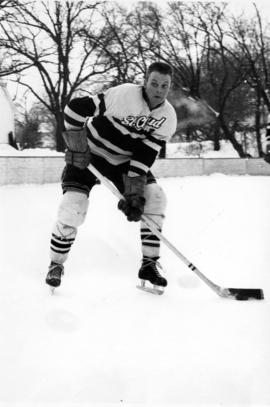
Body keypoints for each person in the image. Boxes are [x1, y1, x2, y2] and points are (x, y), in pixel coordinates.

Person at [46, 61, 177, 294]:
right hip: (90, 155)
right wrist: (77, 146)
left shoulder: (167, 117)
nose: (158, 90)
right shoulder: (123, 95)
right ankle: (56, 264)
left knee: (154, 197)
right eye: (154, 83)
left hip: (124, 164)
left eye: (164, 86)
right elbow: (74, 109)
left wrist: (134, 193)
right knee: (73, 207)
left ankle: (149, 265)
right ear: (144, 82)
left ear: (169, 87)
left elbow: (145, 154)